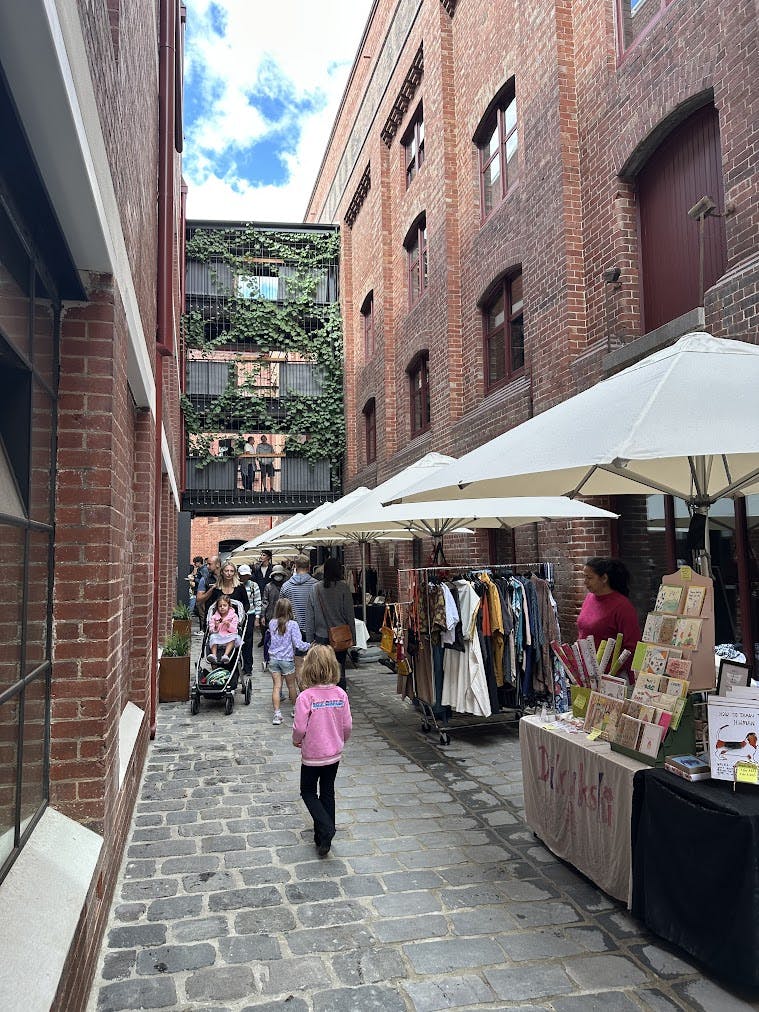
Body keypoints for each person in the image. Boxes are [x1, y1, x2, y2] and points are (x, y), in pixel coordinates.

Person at [292, 645, 352, 857]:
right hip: (333, 753)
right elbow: (347, 725)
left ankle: (326, 826)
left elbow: (299, 727)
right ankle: (323, 838)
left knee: (308, 790)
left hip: (312, 755)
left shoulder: (306, 697)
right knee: (327, 791)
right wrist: (341, 739)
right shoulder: (340, 694)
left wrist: (296, 740)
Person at [577, 557, 641, 681]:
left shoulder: (622, 606)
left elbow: (633, 646)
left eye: (589, 578)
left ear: (604, 578)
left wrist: (615, 673)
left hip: (610, 677)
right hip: (585, 673)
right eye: (584, 577)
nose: (585, 582)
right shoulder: (589, 598)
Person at [304, 557, 356, 691]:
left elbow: (309, 616)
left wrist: (309, 640)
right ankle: (340, 698)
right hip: (340, 637)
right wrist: (353, 637)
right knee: (339, 671)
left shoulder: (315, 588)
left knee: (321, 670)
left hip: (320, 636)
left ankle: (323, 699)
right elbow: (350, 614)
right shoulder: (343, 588)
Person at [268, 598, 310, 725]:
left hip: (274, 659)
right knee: (291, 686)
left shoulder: (272, 623)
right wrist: (310, 645)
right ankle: (295, 709)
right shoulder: (293, 625)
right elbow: (298, 644)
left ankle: (277, 714)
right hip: (287, 659)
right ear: (290, 610)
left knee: (276, 686)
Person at [281, 554, 318, 684]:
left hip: (292, 628)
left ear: (294, 566)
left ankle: (303, 690)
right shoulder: (316, 585)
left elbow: (281, 610)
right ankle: (313, 689)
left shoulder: (286, 586)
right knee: (313, 660)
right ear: (309, 567)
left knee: (298, 663)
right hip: (313, 628)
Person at [237, 563, 261, 675]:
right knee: (237, 641)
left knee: (248, 641)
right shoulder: (236, 585)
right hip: (236, 616)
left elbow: (257, 601)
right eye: (242, 575)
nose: (244, 577)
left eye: (246, 575)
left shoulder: (253, 586)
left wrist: (257, 617)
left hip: (249, 615)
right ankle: (238, 664)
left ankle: (248, 667)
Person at [207, 595, 240, 666]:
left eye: (224, 605)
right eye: (220, 606)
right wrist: (216, 626)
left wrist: (229, 625)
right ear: (217, 607)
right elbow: (211, 630)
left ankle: (225, 655)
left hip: (228, 636)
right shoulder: (214, 617)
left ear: (229, 606)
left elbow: (234, 630)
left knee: (234, 637)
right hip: (218, 636)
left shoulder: (233, 616)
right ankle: (214, 655)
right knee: (212, 637)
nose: (222, 607)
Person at [195, 555, 221, 628]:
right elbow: (199, 599)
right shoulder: (204, 579)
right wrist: (212, 589)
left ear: (218, 564)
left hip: (227, 617)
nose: (207, 566)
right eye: (207, 564)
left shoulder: (227, 578)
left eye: (210, 564)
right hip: (211, 616)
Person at [254, 549, 275, 644]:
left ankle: (270, 635)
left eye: (263, 555)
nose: (261, 556)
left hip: (270, 593)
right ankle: (263, 637)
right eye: (261, 555)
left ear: (268, 557)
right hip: (259, 592)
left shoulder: (272, 569)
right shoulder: (257, 569)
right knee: (261, 614)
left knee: (269, 614)